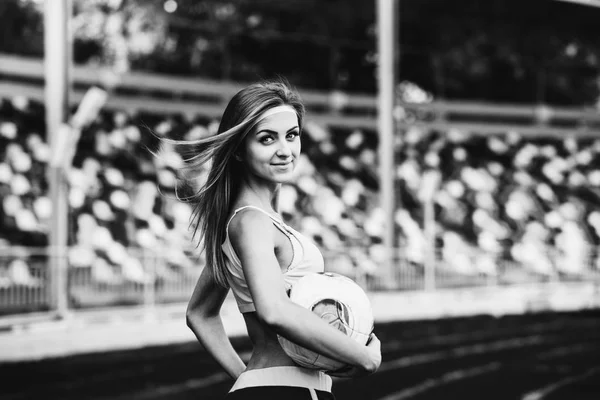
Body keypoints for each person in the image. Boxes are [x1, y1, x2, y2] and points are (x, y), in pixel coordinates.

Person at [179, 79, 381, 399]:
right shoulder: (251, 222)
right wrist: (364, 358)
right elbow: (274, 310)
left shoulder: (247, 220)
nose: (284, 150)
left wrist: (247, 380)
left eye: (292, 135)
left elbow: (200, 314)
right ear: (240, 151)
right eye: (267, 139)